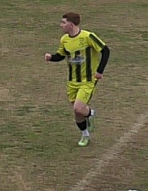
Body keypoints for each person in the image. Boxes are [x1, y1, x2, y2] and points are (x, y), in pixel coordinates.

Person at [45, 12, 109, 147]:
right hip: (72, 81)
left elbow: (105, 50)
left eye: (63, 23)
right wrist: (51, 57)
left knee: (79, 108)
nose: (61, 25)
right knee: (77, 112)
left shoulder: (88, 36)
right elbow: (61, 55)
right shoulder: (64, 40)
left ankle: (90, 114)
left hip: (88, 80)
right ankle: (85, 135)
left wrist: (99, 71)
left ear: (71, 24)